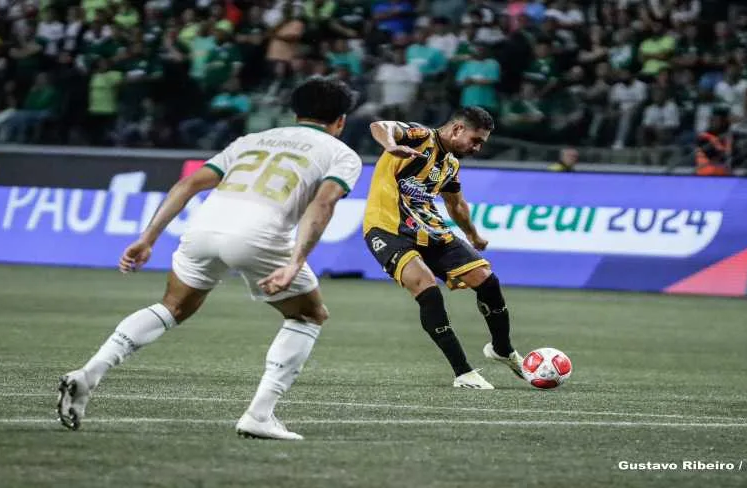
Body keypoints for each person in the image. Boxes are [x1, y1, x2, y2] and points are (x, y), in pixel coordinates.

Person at [56, 78, 362, 441]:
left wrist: (147, 238)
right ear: (340, 120)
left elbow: (188, 185)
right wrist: (295, 262)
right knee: (309, 314)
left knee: (172, 306)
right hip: (259, 235)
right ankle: (259, 415)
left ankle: (89, 374)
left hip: (203, 228)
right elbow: (323, 203)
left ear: (295, 113)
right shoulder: (342, 154)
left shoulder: (251, 140)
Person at [363, 107, 523, 389]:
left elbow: (456, 204)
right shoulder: (419, 137)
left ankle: (503, 349)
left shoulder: (450, 164)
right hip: (388, 229)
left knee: (487, 279)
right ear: (458, 129)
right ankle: (463, 372)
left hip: (432, 230)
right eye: (476, 140)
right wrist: (391, 145)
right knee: (427, 290)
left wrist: (473, 235)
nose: (477, 147)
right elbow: (380, 125)